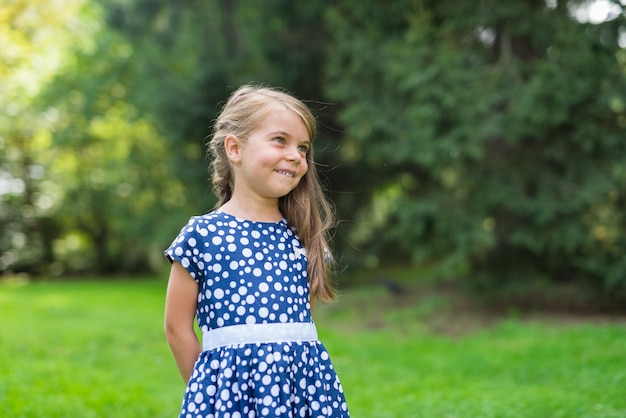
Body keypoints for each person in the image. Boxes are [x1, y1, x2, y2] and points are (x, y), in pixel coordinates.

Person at [164, 84, 350, 417]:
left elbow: (297, 334)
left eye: (303, 147)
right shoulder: (203, 236)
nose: (295, 155)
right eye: (280, 140)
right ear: (235, 149)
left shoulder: (304, 238)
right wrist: (209, 391)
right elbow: (177, 327)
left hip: (302, 399)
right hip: (228, 401)